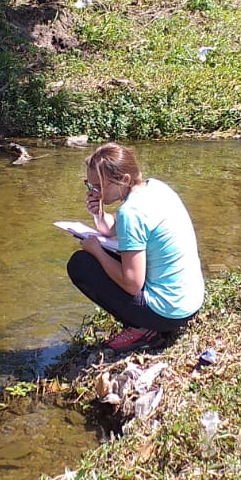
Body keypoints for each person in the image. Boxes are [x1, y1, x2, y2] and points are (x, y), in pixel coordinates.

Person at [67, 142, 204, 351]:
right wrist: (98, 214)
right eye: (90, 185)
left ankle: (143, 329)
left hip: (166, 314)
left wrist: (97, 252)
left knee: (81, 264)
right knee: (109, 254)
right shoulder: (155, 187)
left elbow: (132, 284)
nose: (94, 191)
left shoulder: (131, 212)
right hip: (188, 303)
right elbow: (115, 228)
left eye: (98, 186)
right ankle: (146, 325)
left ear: (123, 179)